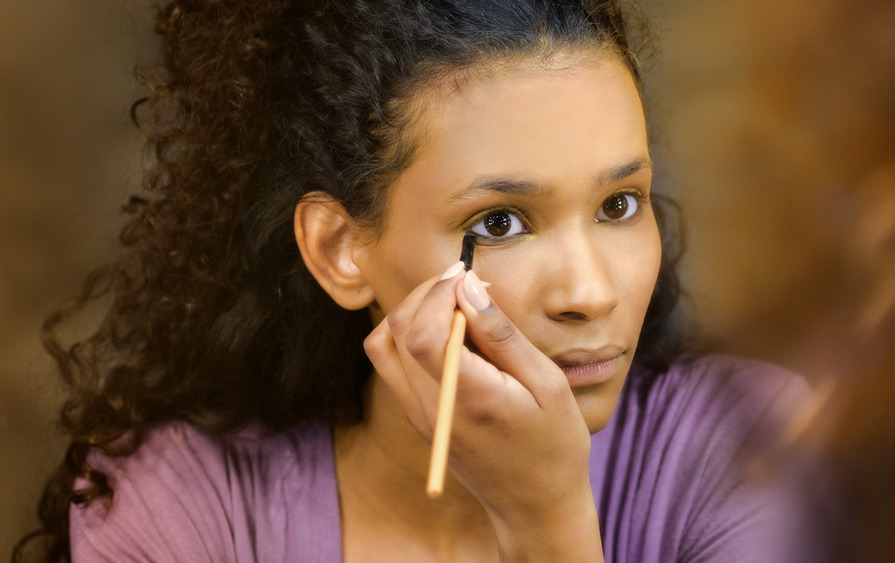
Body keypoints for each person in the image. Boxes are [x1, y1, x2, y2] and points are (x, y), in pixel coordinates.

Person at [15, 1, 809, 561]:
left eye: (618, 204)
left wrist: (546, 525)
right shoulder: (178, 506)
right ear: (338, 249)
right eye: (499, 221)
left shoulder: (757, 450)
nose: (591, 292)